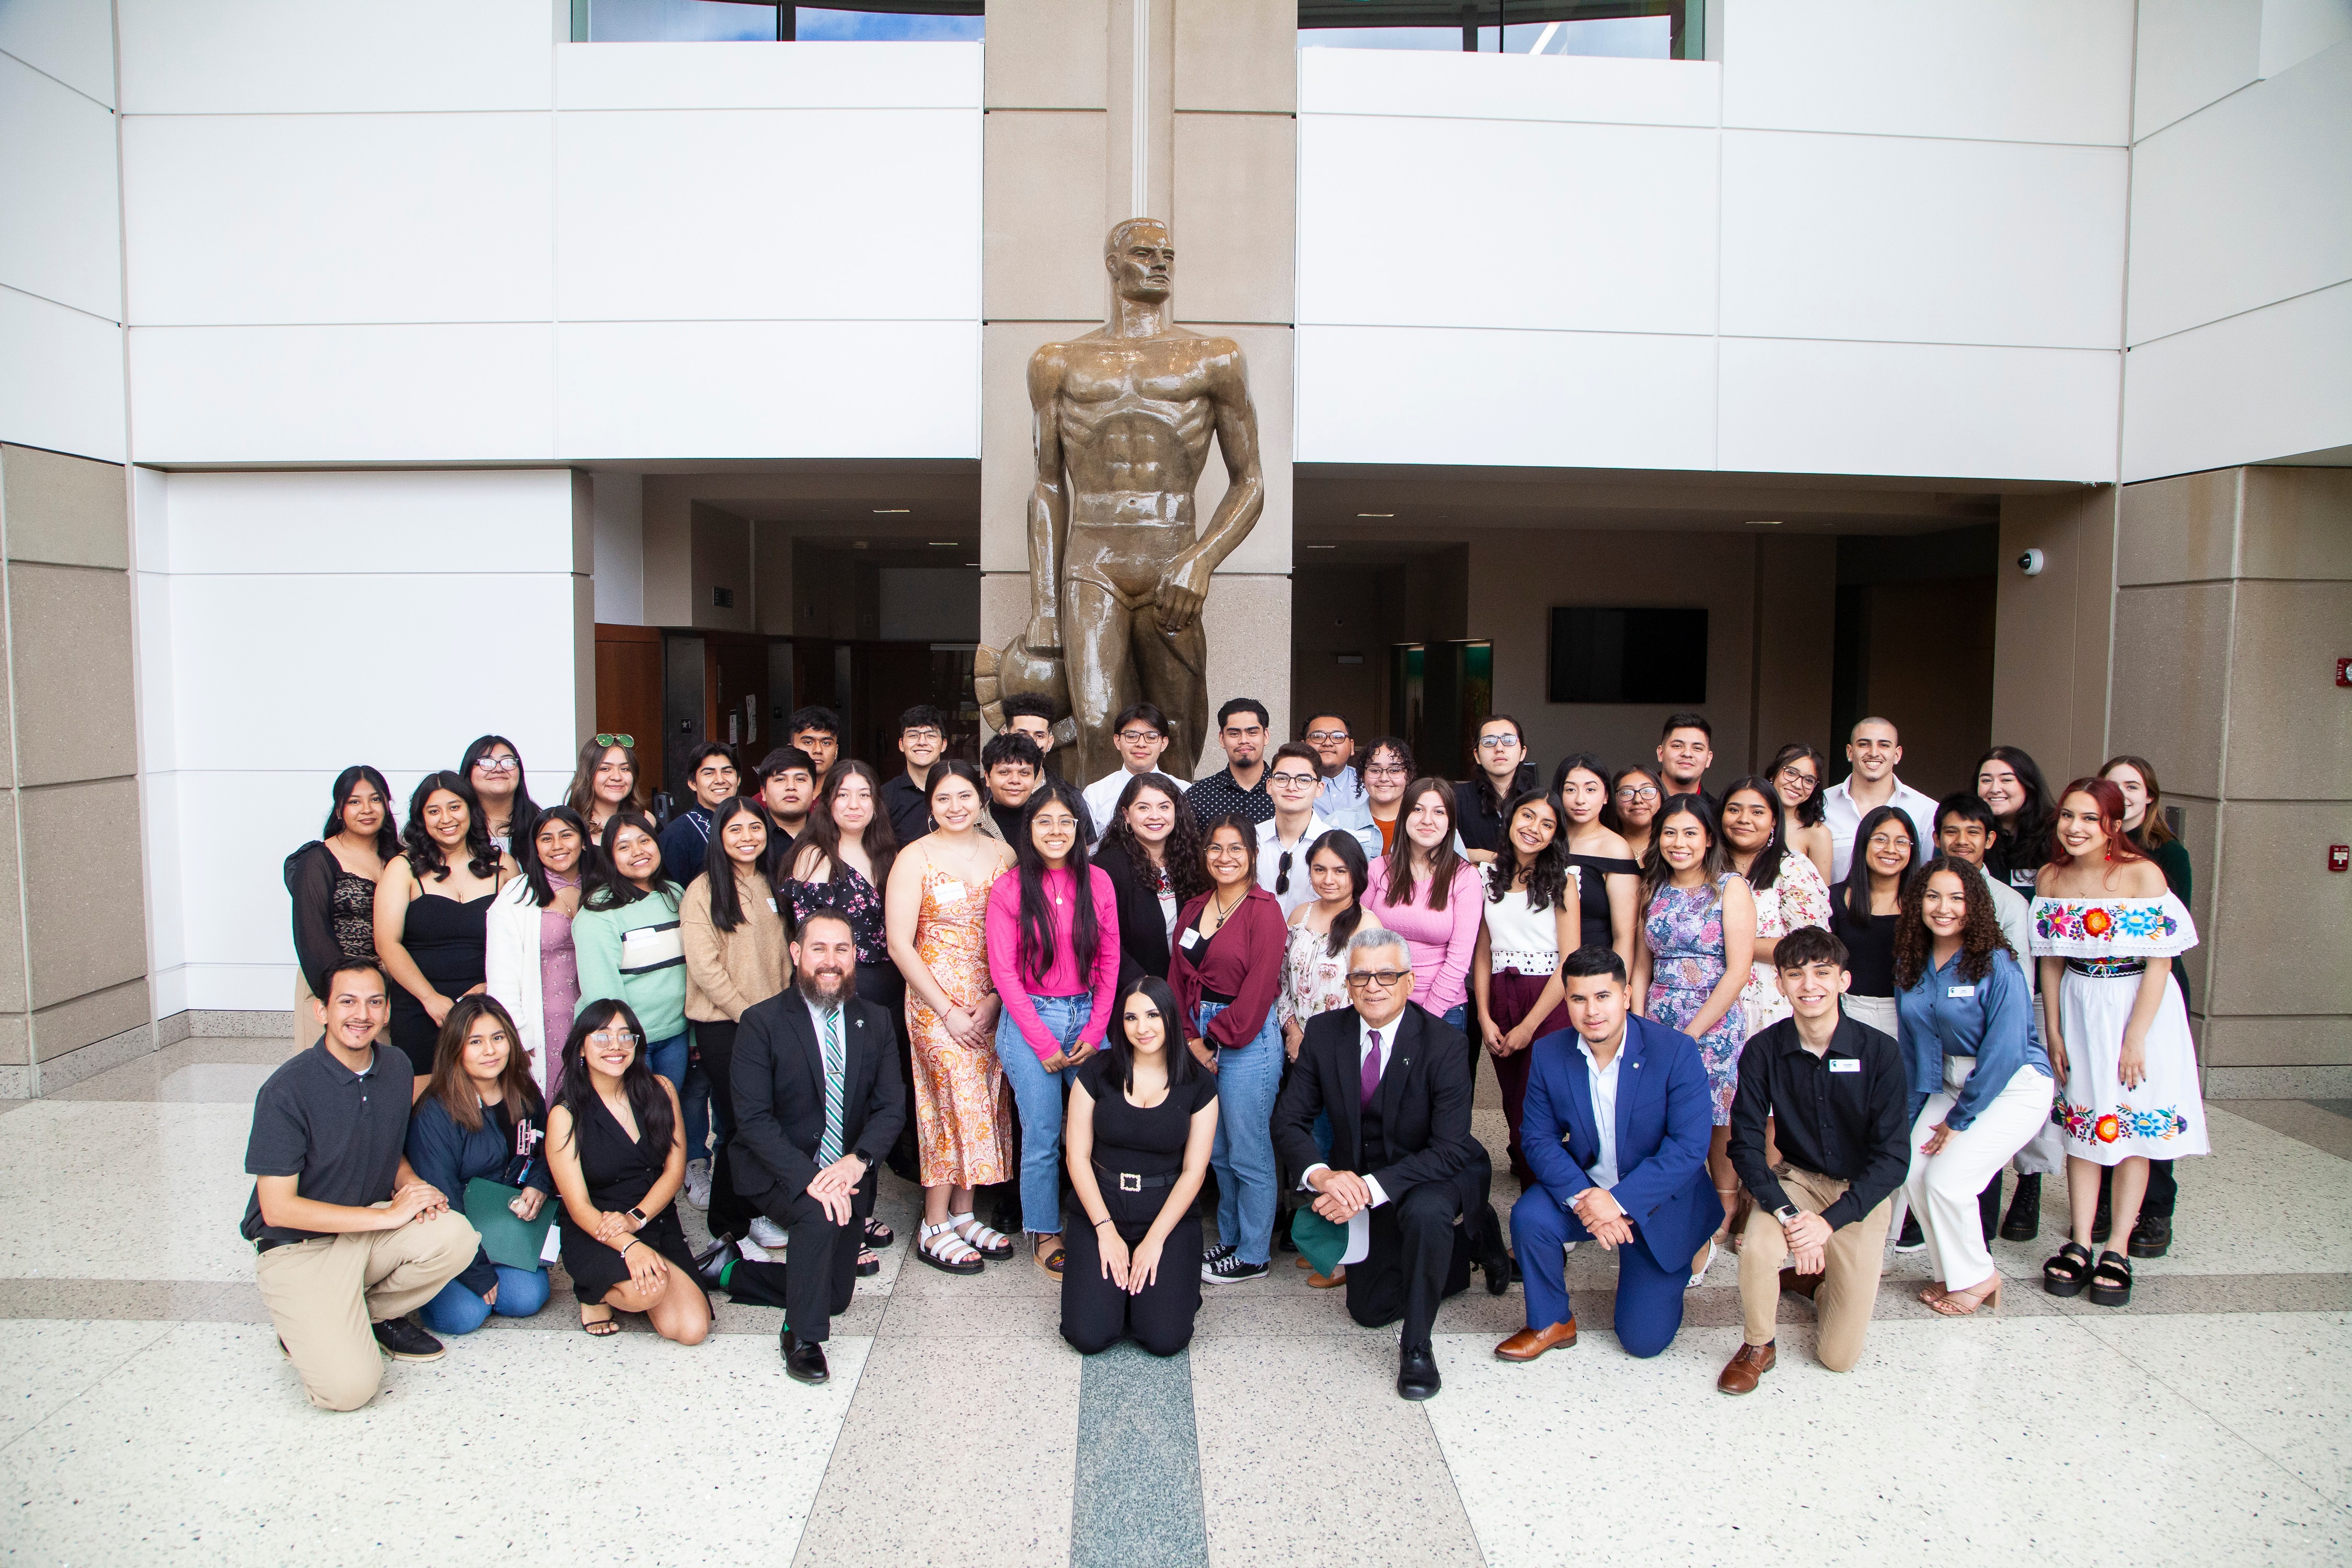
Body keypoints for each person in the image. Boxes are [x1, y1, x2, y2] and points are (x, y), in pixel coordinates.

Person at [1276, 928, 1506, 1400]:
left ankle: (1418, 1347)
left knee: (1425, 1216)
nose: (1373, 987)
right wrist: (1323, 1177)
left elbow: (1447, 1149)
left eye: (1387, 975)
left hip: (1433, 1170)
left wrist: (1367, 1189)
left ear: (1409, 982)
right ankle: (1469, 1241)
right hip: (1363, 1174)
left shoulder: (1444, 1044)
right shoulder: (1324, 1034)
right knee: (1368, 1310)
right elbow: (1289, 1121)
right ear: (1348, 983)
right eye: (1361, 976)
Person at [243, 958, 479, 1409]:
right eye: (347, 1002)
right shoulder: (286, 1090)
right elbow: (278, 1209)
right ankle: (309, 1324)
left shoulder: (394, 1066)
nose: (362, 1014)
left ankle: (356, 1316)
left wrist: (410, 1187)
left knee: (455, 1235)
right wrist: (391, 1214)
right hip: (298, 1251)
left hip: (365, 1235)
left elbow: (387, 1147)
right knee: (350, 1391)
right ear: (322, 1012)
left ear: (388, 1012)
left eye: (374, 1002)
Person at [2033, 779, 2205, 1310]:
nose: (2076, 827)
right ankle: (2081, 1240)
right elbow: (2051, 960)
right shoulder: (2052, 877)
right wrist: (2055, 1031)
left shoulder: (2143, 874)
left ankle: (2118, 1247)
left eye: (2089, 818)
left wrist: (2136, 1037)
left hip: (2138, 1004)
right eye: (2068, 816)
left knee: (2131, 1125)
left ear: (2112, 824)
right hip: (2080, 1004)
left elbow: (2160, 960)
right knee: (2084, 1120)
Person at [1500, 947, 1717, 1364]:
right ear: (1567, 1002)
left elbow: (1689, 1148)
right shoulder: (1549, 1053)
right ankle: (1551, 1321)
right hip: (1590, 1189)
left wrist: (1616, 1202)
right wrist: (1588, 1199)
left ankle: (1689, 1249)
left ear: (1627, 996)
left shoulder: (1675, 1052)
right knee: (1530, 1217)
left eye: (1603, 996)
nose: (1591, 1011)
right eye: (1579, 999)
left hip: (1658, 1202)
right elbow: (1538, 1138)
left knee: (1642, 1342)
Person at [1716, 927, 1908, 1393]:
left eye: (1822, 973)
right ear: (1779, 984)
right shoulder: (1763, 1050)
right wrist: (1789, 1215)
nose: (1809, 985)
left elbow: (1893, 1159)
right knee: (1759, 1246)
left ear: (1844, 981)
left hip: (1859, 1192)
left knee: (1837, 1359)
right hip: (1797, 1180)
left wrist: (1828, 1224)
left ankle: (1813, 1284)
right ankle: (1759, 1345)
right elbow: (1743, 1144)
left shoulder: (1880, 1052)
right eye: (1796, 974)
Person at [721, 905, 906, 1383]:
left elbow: (891, 1108)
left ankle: (729, 1273)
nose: (831, 960)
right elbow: (754, 1121)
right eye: (819, 949)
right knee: (817, 1213)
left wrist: (857, 1163)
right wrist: (813, 1181)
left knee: (837, 1297)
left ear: (855, 955)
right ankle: (801, 1337)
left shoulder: (877, 1021)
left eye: (841, 949)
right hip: (775, 1166)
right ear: (797, 953)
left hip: (847, 1169)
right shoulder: (761, 1022)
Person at [1895, 859, 2054, 1317]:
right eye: (1932, 897)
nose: (1943, 908)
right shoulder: (1912, 960)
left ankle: (1979, 1277)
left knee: (1948, 1179)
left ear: (1976, 906)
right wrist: (1910, 1118)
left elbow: (2005, 1052)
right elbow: (1913, 1047)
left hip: (2010, 1087)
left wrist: (1957, 1122)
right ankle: (1954, 1272)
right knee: (1912, 1170)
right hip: (1946, 1084)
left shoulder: (1997, 963)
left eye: (1957, 898)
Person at [886, 760, 1019, 1273]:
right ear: (930, 804)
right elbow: (900, 944)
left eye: (965, 795)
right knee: (949, 1103)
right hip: (934, 1004)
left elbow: (1013, 934)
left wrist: (993, 1002)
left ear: (980, 796)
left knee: (986, 1100)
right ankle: (933, 1222)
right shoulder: (914, 858)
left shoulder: (1003, 853)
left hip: (990, 1000)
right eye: (944, 798)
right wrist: (947, 1009)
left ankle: (964, 1214)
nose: (956, 807)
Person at [986, 781, 1122, 1280]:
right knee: (1042, 1134)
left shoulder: (1100, 883)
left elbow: (1109, 961)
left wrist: (1096, 1028)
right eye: (1044, 821)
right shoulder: (1010, 887)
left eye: (1066, 820)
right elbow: (1004, 973)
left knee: (1100, 1130)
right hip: (1030, 1022)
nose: (1056, 830)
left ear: (1080, 828)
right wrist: (1043, 1042)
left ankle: (1102, 1222)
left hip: (1088, 1018)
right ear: (1030, 830)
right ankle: (1045, 1230)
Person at [1630, 792, 1755, 1281]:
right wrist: (1639, 1023)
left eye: (1689, 833)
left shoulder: (1730, 888)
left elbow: (1738, 970)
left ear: (1708, 839)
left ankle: (1713, 1217)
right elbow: (1643, 962)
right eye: (1669, 833)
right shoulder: (1654, 886)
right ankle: (1669, 1215)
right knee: (1662, 1122)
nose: (1678, 843)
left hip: (1712, 1020)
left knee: (1709, 1120)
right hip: (1658, 1016)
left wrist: (1690, 1034)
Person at [1063, 976, 1219, 1354]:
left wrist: (1153, 1241)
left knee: (1164, 1339)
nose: (1142, 1028)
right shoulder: (1097, 1071)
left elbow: (1194, 1172)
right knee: (1089, 1336)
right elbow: (1077, 1157)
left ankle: (1162, 1293)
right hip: (1102, 1208)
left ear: (1170, 1016)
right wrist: (1104, 1230)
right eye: (1131, 1018)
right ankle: (1122, 1296)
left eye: (1152, 1015)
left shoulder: (1198, 1083)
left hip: (1167, 1215)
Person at [1934, 791, 2061, 1244]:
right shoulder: (1926, 894)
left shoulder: (2009, 903)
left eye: (1973, 832)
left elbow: (2016, 995)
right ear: (1937, 837)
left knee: (1979, 1144)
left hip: (1991, 1048)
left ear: (1990, 839)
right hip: (1939, 1046)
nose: (1962, 841)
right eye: (1952, 831)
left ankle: (1981, 1235)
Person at [546, 1000, 713, 1343]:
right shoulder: (565, 1115)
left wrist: (637, 1220)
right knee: (647, 1293)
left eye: (626, 1036)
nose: (616, 1046)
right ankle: (594, 1295)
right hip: (598, 1229)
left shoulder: (661, 1090)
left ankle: (641, 1274)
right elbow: (578, 1207)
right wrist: (628, 1246)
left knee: (691, 1330)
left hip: (652, 1217)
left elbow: (674, 1170)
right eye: (603, 1037)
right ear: (581, 1046)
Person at [1168, 815, 1289, 1284]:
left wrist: (1213, 1037)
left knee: (1249, 1150)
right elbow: (1177, 976)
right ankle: (1232, 1238)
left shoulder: (1265, 911)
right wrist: (1191, 1039)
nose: (1224, 858)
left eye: (1235, 849)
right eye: (1215, 848)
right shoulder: (1196, 906)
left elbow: (1260, 990)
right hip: (1199, 1036)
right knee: (1216, 1150)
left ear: (1252, 854)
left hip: (1245, 1038)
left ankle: (1254, 1253)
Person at [404, 995, 556, 1335]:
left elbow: (546, 1149)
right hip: (452, 1231)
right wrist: (476, 1271)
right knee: (462, 1316)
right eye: (476, 1041)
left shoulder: (524, 1091)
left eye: (497, 1038)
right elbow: (443, 1199)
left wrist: (539, 1184)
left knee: (528, 1298)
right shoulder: (435, 1112)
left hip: (502, 1225)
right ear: (456, 1047)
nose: (490, 1050)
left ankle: (489, 1283)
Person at [792, 761, 909, 1189]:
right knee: (834, 1090)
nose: (854, 804)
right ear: (828, 802)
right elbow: (814, 939)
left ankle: (865, 1196)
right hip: (834, 988)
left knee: (877, 1093)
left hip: (888, 989)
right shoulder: (814, 854)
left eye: (864, 794)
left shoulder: (889, 855)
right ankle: (829, 1190)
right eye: (843, 794)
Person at [680, 796, 788, 1242]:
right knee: (741, 1126)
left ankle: (759, 1209)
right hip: (727, 1025)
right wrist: (750, 1016)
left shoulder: (771, 881)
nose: (748, 838)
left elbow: (784, 957)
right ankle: (727, 1227)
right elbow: (705, 969)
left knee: (768, 1123)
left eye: (755, 828)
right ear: (719, 838)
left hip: (774, 1023)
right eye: (736, 830)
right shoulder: (703, 890)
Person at [2101, 752, 2192, 1258]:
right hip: (2102, 991)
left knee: (2149, 1102)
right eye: (2114, 787)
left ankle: (2155, 1208)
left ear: (2149, 796)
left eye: (2133, 787)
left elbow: (2168, 940)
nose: (2125, 796)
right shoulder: (2094, 849)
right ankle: (2113, 1207)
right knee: (2110, 1099)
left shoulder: (2168, 856)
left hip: (2152, 989)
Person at [374, 773, 514, 1086]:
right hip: (419, 1005)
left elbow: (522, 944)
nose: (446, 819)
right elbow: (386, 942)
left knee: (488, 1102)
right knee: (423, 1107)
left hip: (487, 1004)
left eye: (455, 807)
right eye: (434, 811)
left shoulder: (504, 866)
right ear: (421, 819)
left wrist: (491, 986)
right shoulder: (403, 867)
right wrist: (430, 998)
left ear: (471, 810)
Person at [1470, 790, 1578, 1186]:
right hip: (1500, 991)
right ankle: (1527, 1166)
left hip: (1548, 998)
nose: (1534, 828)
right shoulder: (1486, 875)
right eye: (1528, 817)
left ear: (1555, 836)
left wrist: (1530, 1026)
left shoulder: (1564, 881)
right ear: (1511, 818)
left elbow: (1569, 960)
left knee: (1537, 1100)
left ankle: (1545, 1188)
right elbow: (1483, 951)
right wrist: (1483, 1014)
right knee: (1512, 1095)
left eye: (1547, 824)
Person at [573, 810, 690, 1100]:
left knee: (668, 1113)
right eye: (623, 847)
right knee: (635, 1120)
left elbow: (693, 968)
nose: (638, 852)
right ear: (610, 857)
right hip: (627, 1039)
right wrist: (622, 1040)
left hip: (675, 1033)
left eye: (645, 841)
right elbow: (601, 989)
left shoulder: (675, 894)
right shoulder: (598, 911)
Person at [285, 765, 394, 1050]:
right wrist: (344, 995)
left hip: (388, 992)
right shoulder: (319, 859)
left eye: (375, 799)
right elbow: (311, 936)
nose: (367, 809)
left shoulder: (399, 857)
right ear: (339, 810)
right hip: (330, 987)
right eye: (355, 802)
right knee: (329, 1081)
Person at [484, 804, 587, 1103]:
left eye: (567, 835)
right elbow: (501, 974)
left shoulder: (603, 886)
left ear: (583, 841)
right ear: (535, 847)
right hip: (543, 1024)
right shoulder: (517, 895)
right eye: (546, 838)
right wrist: (518, 1032)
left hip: (595, 1017)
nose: (557, 846)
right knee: (551, 1105)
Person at [1365, 779, 1482, 1040]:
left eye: (1439, 812)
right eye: (1418, 810)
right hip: (1377, 1004)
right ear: (1404, 815)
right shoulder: (1378, 870)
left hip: (1443, 1011)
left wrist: (1426, 1017)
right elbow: (1358, 941)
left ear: (1450, 822)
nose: (1427, 820)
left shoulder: (1465, 878)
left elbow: (1460, 960)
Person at [1719, 776, 1830, 1037]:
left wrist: (1726, 942)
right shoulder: (1704, 869)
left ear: (1774, 822)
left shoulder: (1792, 869)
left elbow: (1812, 946)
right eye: (1734, 809)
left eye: (1757, 812)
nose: (1743, 819)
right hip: (1708, 1004)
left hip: (1769, 1007)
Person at [1097, 771, 1205, 986]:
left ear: (1176, 812)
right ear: (1127, 815)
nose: (1155, 816)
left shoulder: (1195, 862)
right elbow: (1101, 938)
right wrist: (1142, 984)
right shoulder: (1106, 868)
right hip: (1132, 992)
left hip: (1188, 989)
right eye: (1143, 807)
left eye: (1164, 807)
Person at [1827, 804, 1917, 1039]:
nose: (1891, 850)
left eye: (1901, 842)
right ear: (1864, 842)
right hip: (1847, 1011)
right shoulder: (1833, 897)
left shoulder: (1924, 902)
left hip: (1908, 1016)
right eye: (1880, 839)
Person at [1822, 718, 1939, 884]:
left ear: (1897, 755)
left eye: (1884, 745)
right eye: (1864, 744)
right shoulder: (1821, 806)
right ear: (1850, 752)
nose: (1874, 753)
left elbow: (1927, 879)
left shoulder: (1926, 811)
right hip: (1835, 909)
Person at [1552, 753, 1639, 969]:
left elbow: (1625, 937)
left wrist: (1618, 994)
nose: (1580, 799)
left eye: (1591, 790)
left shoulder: (1615, 849)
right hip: (1538, 969)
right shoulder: (1545, 840)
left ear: (1606, 796)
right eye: (1570, 789)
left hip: (1592, 974)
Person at [1260, 742, 1362, 918]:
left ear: (1319, 788)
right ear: (1270, 785)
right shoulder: (1251, 839)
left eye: (1304, 780)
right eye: (1282, 778)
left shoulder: (1337, 845)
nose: (1292, 787)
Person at [1082, 701, 1181, 843]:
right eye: (1132, 736)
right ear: (1117, 741)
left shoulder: (1183, 790)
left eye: (1151, 737)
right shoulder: (1095, 794)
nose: (1141, 744)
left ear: (1164, 743)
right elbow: (1088, 852)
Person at [1976, 744, 2056, 898]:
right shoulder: (1969, 834)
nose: (1995, 789)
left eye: (2006, 780)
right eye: (1986, 780)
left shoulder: (2054, 833)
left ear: (2028, 785)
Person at [658, 741, 740, 889]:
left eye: (727, 772)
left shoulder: (754, 825)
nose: (720, 780)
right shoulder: (676, 835)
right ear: (692, 783)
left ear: (738, 779)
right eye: (709, 773)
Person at [1186, 697, 1275, 826]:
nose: (1244, 740)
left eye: (1252, 732)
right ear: (1222, 739)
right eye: (1234, 734)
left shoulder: (1286, 790)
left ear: (1266, 736)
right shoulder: (1198, 795)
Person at [1454, 714, 1532, 857]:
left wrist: (1474, 855)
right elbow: (1441, 853)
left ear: (1523, 753)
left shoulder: (1538, 801)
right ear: (1477, 756)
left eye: (1508, 740)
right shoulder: (1456, 798)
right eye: (1489, 741)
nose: (1499, 748)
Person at [1766, 742, 1836, 886]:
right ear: (1774, 774)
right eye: (1791, 773)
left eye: (1809, 780)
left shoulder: (1818, 834)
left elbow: (1822, 898)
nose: (1798, 785)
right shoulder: (1749, 820)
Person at [881, 704, 949, 845]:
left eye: (931, 735)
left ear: (943, 745)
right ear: (901, 744)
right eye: (913, 735)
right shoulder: (885, 796)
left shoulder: (959, 791)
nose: (922, 742)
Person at [460, 734, 538, 852]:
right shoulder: (455, 827)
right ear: (468, 771)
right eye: (486, 762)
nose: (498, 769)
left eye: (508, 762)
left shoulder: (540, 825)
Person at [1301, 711, 1373, 833]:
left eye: (1338, 737)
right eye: (1318, 736)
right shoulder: (1291, 785)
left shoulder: (1370, 783)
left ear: (1351, 746)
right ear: (1303, 747)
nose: (1328, 743)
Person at [566, 734, 643, 844]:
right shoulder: (569, 827)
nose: (617, 777)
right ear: (588, 774)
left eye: (625, 769)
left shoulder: (646, 821)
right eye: (605, 769)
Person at [754, 745, 817, 863]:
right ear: (763, 792)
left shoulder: (830, 835)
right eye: (780, 780)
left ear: (814, 791)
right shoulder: (751, 838)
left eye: (800, 779)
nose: (791, 787)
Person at [982, 729, 1046, 842]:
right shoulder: (970, 826)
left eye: (1024, 773)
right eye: (1004, 772)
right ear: (988, 778)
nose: (1015, 780)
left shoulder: (1053, 826)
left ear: (1034, 778)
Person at [1361, 736, 1414, 855]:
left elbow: (1461, 871)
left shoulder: (1431, 824)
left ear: (1409, 776)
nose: (1384, 778)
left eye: (1395, 770)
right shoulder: (1337, 823)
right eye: (1375, 770)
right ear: (1362, 776)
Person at [1605, 764, 1665, 865]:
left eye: (1647, 791)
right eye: (1626, 793)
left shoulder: (1672, 846)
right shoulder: (1603, 847)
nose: (1638, 800)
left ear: (1661, 795)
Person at [1655, 712, 1716, 806]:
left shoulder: (1718, 813)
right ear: (1661, 753)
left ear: (1708, 759)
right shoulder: (1638, 804)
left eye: (1697, 748)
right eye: (1677, 746)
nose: (1687, 754)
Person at [997, 693, 1062, 775]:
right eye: (1022, 735)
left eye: (1039, 736)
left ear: (1049, 743)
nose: (1031, 742)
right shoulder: (980, 787)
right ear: (1004, 737)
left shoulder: (1064, 788)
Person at [788, 706, 842, 781]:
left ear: (836, 751)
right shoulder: (779, 791)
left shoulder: (845, 791)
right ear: (791, 750)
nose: (818, 750)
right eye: (808, 742)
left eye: (826, 743)